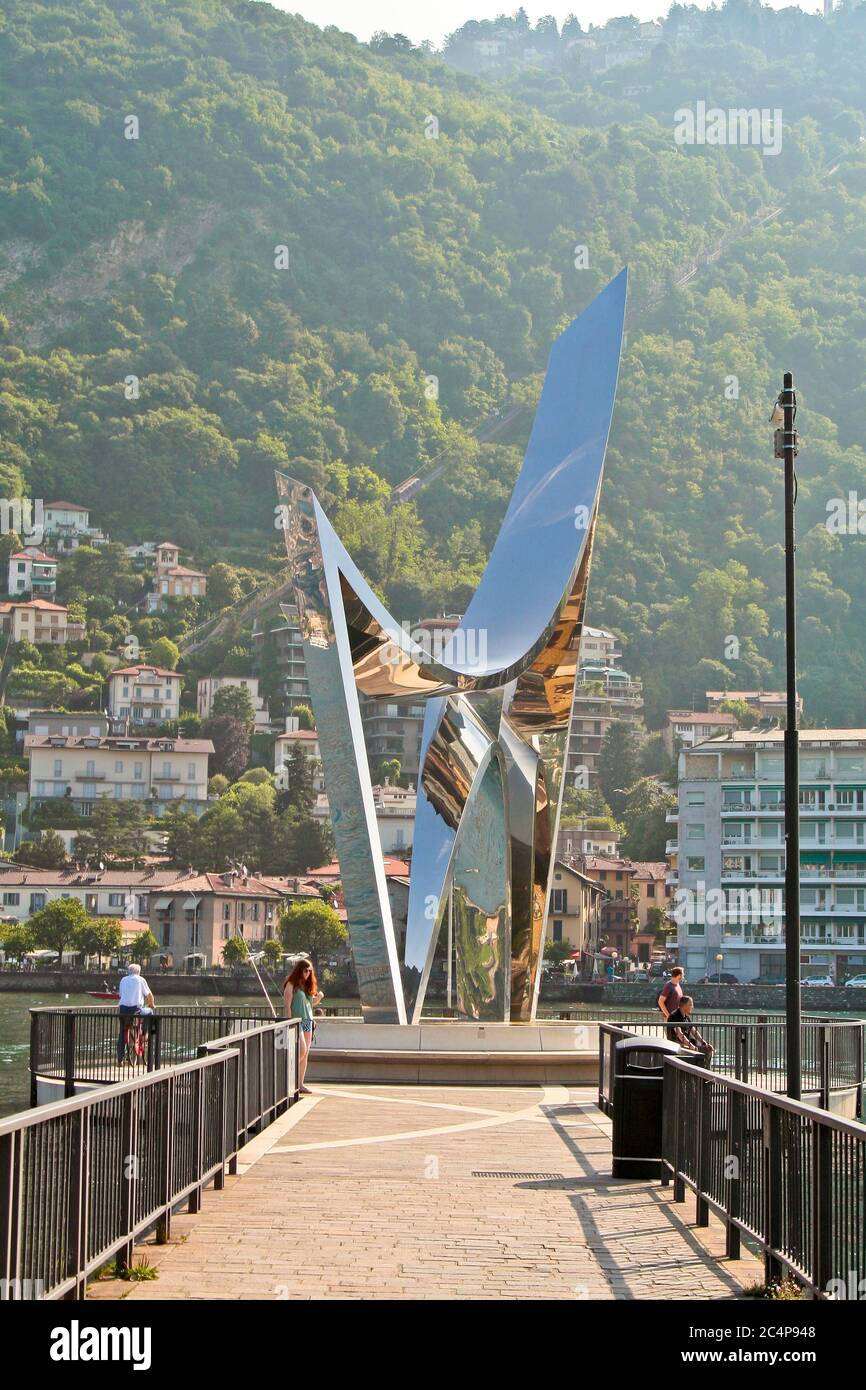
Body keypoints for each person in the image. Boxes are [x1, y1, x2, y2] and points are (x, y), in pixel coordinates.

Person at [283, 958, 324, 1094]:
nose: (307, 974)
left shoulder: (306, 986)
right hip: (297, 1021)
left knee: (305, 1053)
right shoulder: (291, 984)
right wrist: (289, 1022)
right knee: (301, 1049)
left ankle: (300, 1083)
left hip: (308, 1021)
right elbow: (287, 1005)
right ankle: (288, 1073)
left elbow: (310, 1004)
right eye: (305, 970)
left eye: (309, 971)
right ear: (299, 969)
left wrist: (319, 998)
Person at [116, 962, 155, 1063]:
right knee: (150, 1012)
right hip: (136, 1010)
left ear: (129, 971)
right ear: (138, 972)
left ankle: (120, 1060)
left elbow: (120, 995)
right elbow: (149, 995)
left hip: (123, 1010)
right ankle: (145, 1032)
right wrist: (152, 1005)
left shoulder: (123, 980)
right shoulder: (141, 979)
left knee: (122, 1032)